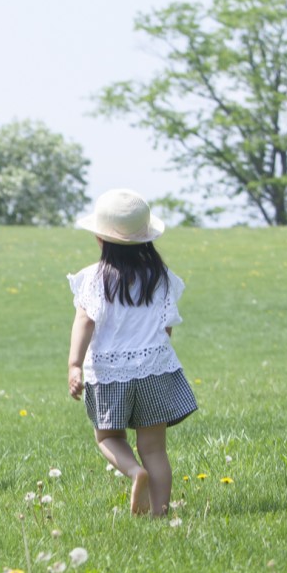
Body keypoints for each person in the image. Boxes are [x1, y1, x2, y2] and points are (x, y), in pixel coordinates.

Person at [67, 189, 197, 517]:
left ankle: (133, 471)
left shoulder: (93, 279)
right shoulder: (161, 278)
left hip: (110, 373)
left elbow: (84, 322)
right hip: (154, 369)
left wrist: (74, 365)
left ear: (100, 238)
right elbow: (167, 327)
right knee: (154, 448)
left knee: (108, 437)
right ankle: (160, 512)